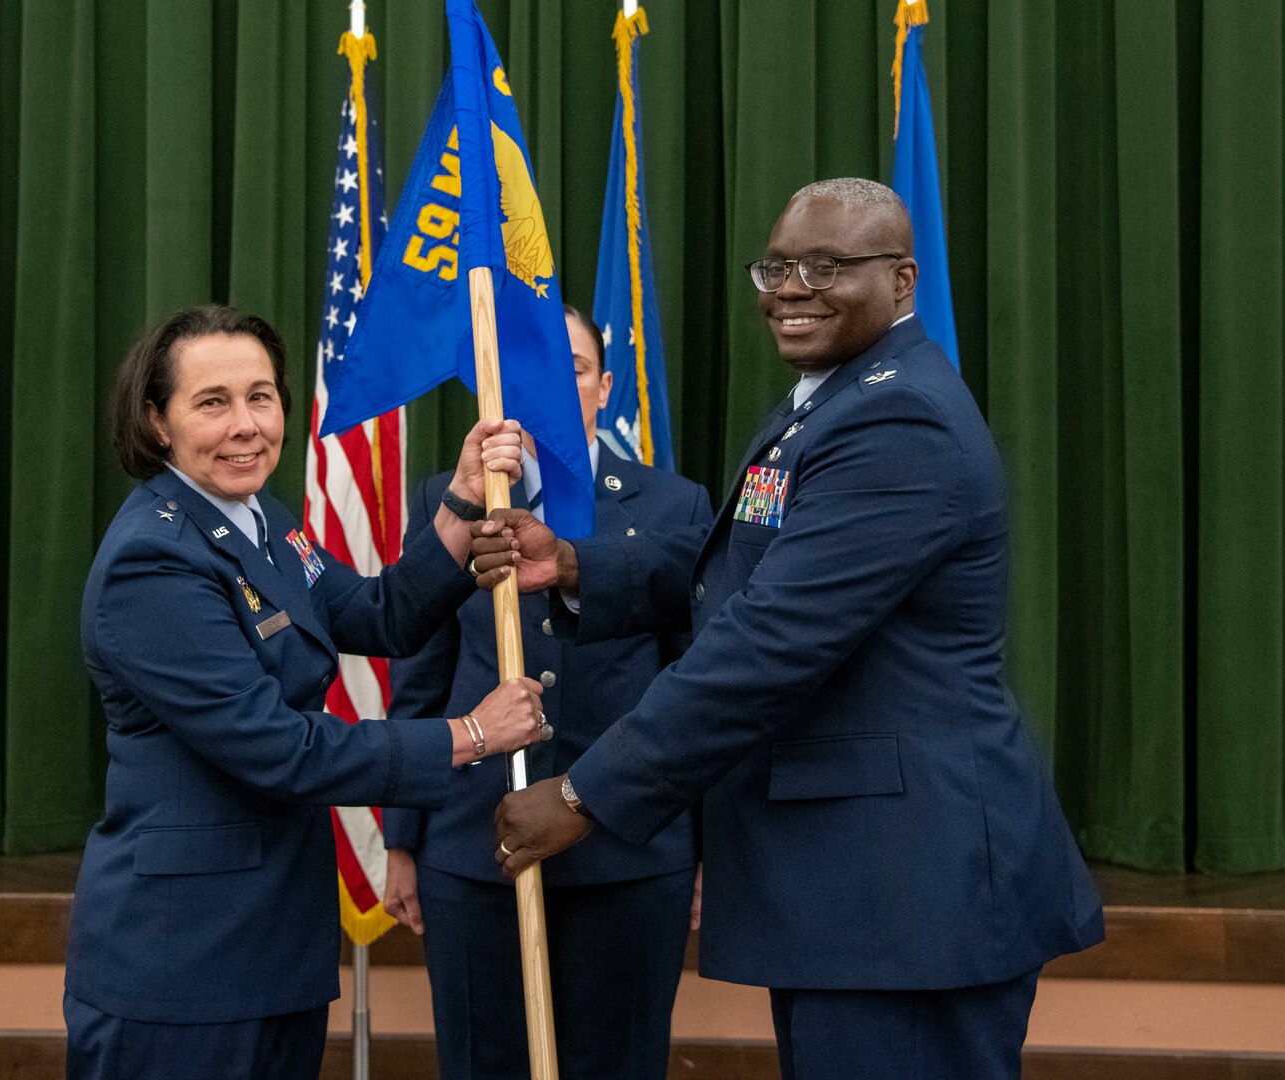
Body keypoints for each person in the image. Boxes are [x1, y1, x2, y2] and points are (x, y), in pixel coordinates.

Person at [474, 180, 1105, 1080]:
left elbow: (771, 641)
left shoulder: (898, 417)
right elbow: (748, 568)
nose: (792, 287)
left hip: (905, 894)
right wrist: (576, 567)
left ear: (901, 280)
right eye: (776, 266)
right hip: (859, 894)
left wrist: (585, 796)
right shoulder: (833, 395)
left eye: (827, 266)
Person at [65, 304, 545, 1080]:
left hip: (272, 947)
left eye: (261, 396)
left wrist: (459, 501)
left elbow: (378, 615)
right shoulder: (150, 562)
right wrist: (472, 736)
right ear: (157, 422)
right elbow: (278, 747)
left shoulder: (262, 520)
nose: (246, 425)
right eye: (212, 402)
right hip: (183, 962)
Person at [381, 305, 712, 1080]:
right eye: (532, 365)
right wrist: (402, 842)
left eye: (574, 366)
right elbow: (418, 678)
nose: (557, 383)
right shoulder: (449, 499)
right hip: (473, 848)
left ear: (603, 387)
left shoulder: (674, 505)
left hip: (628, 849)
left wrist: (705, 850)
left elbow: (698, 687)